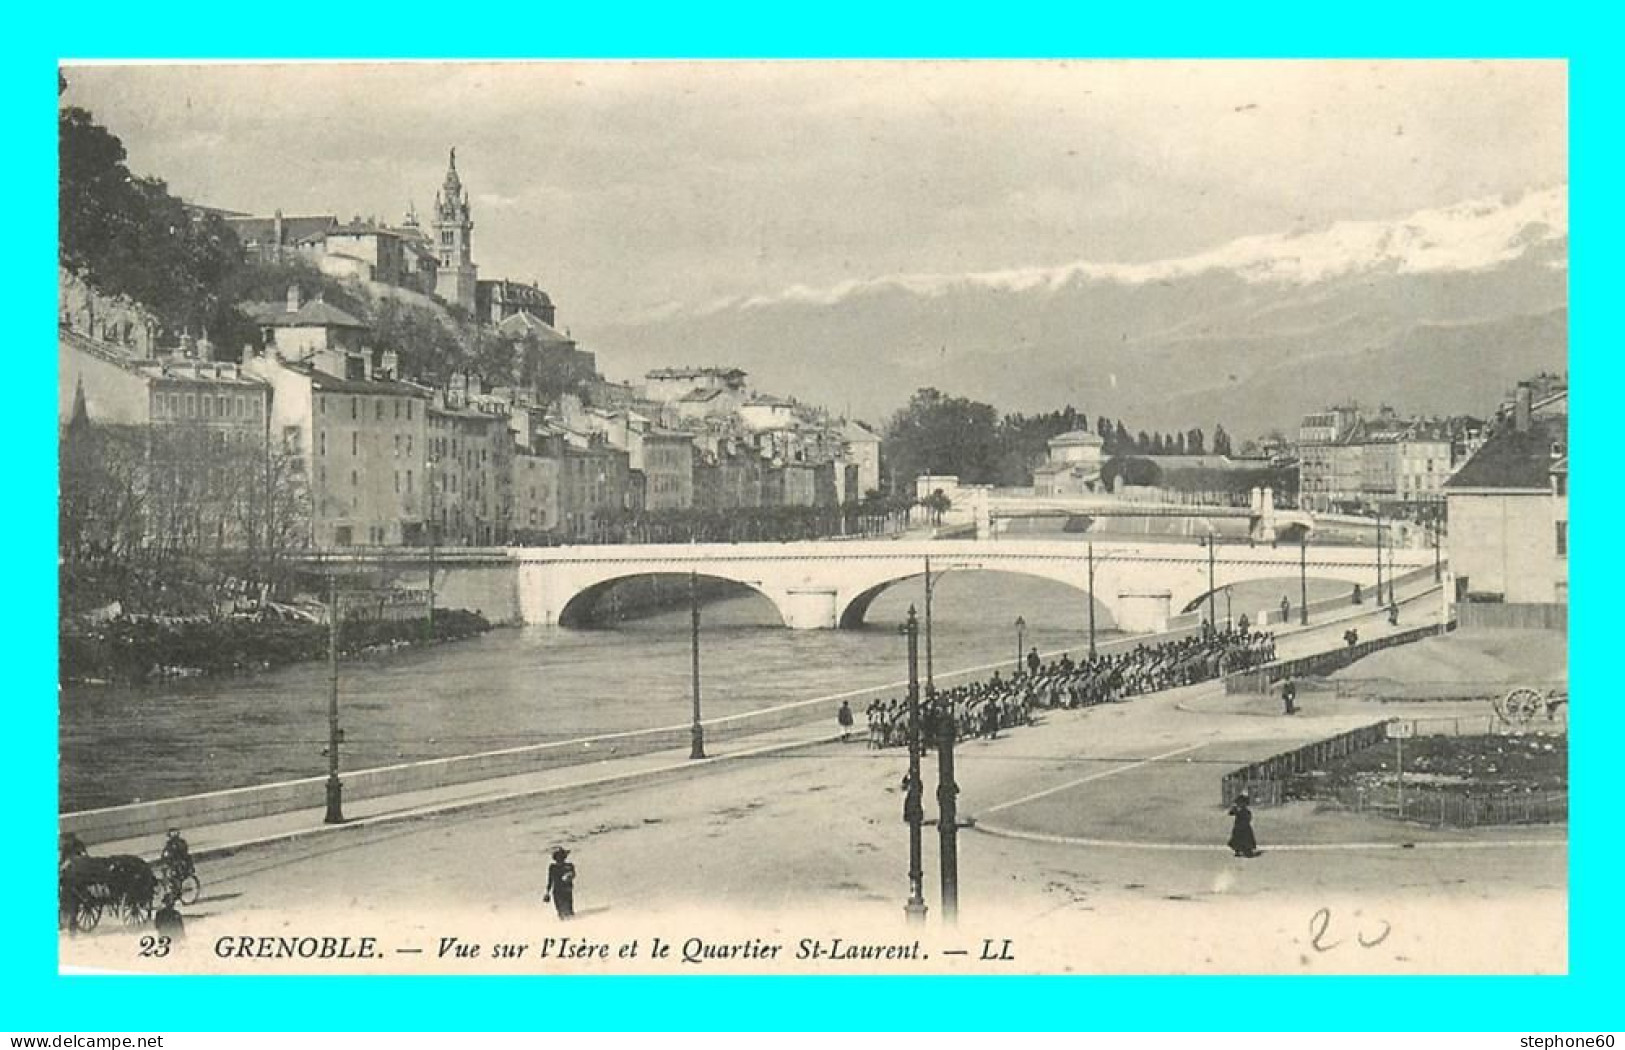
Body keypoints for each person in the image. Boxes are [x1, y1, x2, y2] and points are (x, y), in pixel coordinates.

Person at [544, 847, 576, 920]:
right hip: (558, 891)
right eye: (559, 857)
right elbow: (550, 880)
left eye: (561, 856)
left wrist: (569, 876)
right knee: (561, 911)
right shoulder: (553, 867)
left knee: (568, 910)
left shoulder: (569, 866)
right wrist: (547, 892)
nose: (560, 858)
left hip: (566, 890)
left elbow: (573, 874)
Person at [1228, 794, 1258, 858]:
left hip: (1244, 827)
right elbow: (1230, 813)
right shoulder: (1238, 810)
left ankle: (1246, 851)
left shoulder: (1245, 811)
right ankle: (1238, 850)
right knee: (1238, 839)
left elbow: (1248, 818)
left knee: (1245, 840)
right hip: (1239, 827)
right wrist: (1233, 808)